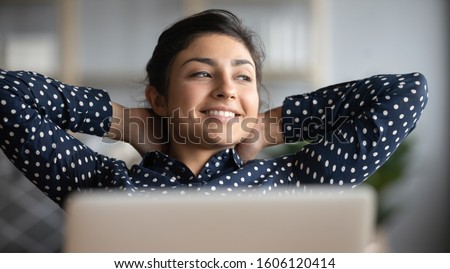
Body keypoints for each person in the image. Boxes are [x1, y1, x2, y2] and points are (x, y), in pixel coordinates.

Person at [0, 9, 428, 207]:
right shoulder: (100, 186)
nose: (227, 89)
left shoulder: (296, 181)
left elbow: (406, 92)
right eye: (202, 73)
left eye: (243, 77)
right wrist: (125, 123)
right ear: (159, 98)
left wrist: (268, 128)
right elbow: (6, 94)